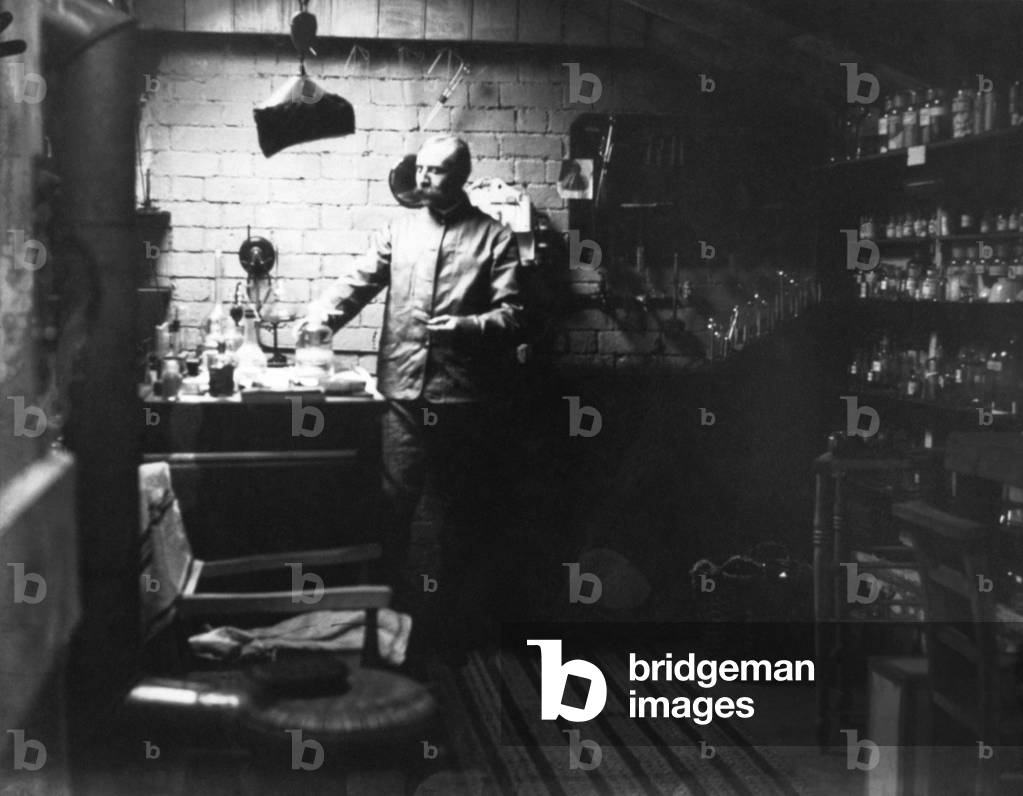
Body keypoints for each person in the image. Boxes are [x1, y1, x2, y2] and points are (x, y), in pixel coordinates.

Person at [304, 135, 525, 661]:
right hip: (402, 396)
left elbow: (515, 316)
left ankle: (448, 637)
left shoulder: (494, 239)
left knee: (459, 519)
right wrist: (317, 319)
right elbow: (356, 283)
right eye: (421, 168)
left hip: (462, 400)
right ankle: (384, 632)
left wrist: (468, 326)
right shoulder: (399, 231)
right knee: (389, 514)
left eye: (438, 171)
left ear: (462, 175)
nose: (424, 178)